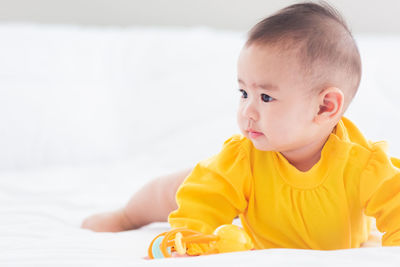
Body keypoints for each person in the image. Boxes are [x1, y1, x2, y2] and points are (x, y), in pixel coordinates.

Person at [82, 2, 400, 251]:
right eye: (244, 93)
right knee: (175, 189)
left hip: (344, 232)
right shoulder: (241, 160)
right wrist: (187, 239)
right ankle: (126, 215)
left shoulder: (364, 166)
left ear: (325, 106)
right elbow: (201, 208)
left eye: (265, 96)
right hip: (247, 197)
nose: (247, 110)